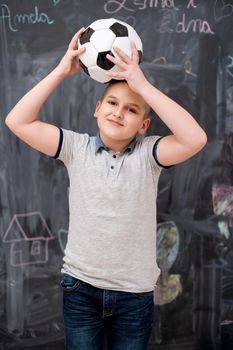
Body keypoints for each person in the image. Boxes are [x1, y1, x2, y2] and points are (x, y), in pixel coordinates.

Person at [5, 27, 207, 350]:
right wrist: (60, 72)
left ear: (143, 125)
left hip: (134, 295)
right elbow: (18, 121)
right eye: (112, 102)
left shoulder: (148, 155)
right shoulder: (75, 148)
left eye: (131, 109)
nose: (119, 112)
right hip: (80, 289)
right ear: (97, 108)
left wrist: (142, 85)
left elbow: (195, 139)